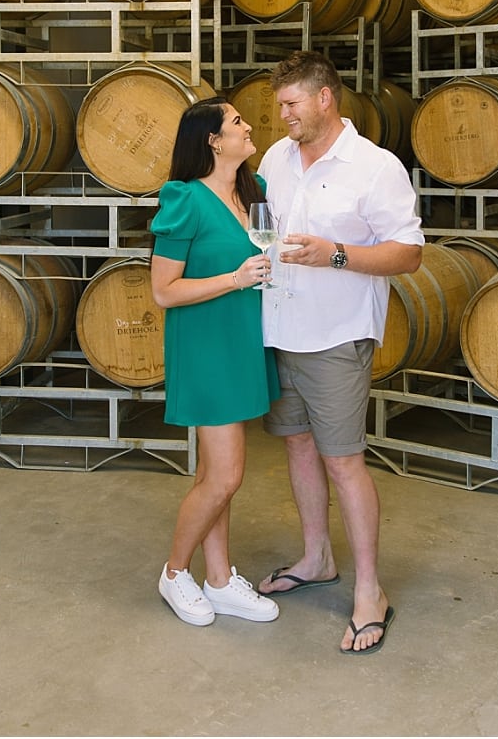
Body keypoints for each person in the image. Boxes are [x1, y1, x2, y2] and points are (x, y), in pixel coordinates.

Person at [253, 51, 424, 655]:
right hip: (280, 328)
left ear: (325, 98)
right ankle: (316, 556)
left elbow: (408, 253)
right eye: (279, 105)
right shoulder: (275, 158)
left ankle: (370, 591)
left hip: (337, 336)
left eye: (291, 103)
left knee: (344, 460)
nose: (282, 115)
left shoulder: (375, 168)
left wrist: (336, 254)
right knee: (297, 446)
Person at [149, 96, 281, 627]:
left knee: (214, 473)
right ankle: (175, 572)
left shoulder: (254, 193)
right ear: (212, 140)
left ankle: (221, 579)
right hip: (206, 347)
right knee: (225, 477)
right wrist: (235, 278)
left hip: (242, 341)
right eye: (237, 122)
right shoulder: (185, 199)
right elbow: (164, 290)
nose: (249, 127)